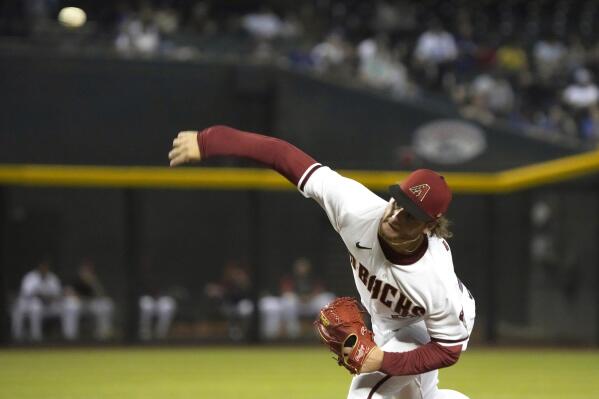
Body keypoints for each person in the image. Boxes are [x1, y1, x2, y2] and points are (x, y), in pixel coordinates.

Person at [168, 125, 476, 399]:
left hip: (427, 326)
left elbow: (447, 351)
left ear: (428, 226)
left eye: (410, 215)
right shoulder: (357, 209)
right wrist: (212, 141)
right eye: (398, 202)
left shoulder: (434, 280)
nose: (395, 216)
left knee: (366, 390)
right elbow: (282, 154)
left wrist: (382, 360)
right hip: (387, 321)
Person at [11, 260, 73, 341]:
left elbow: (58, 294)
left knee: (70, 306)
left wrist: (56, 296)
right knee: (35, 307)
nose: (44, 269)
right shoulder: (30, 277)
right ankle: (34, 337)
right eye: (42, 267)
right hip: (28, 305)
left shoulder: (52, 277)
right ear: (39, 268)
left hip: (49, 305)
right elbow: (28, 294)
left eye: (46, 268)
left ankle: (69, 336)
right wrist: (44, 297)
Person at [63, 259, 114, 341]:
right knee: (71, 306)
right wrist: (75, 295)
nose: (87, 272)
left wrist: (92, 282)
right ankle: (70, 337)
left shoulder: (92, 280)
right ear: (81, 270)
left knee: (106, 304)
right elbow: (67, 292)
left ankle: (103, 336)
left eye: (89, 270)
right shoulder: (76, 279)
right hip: (78, 304)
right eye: (85, 269)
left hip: (90, 304)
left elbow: (101, 294)